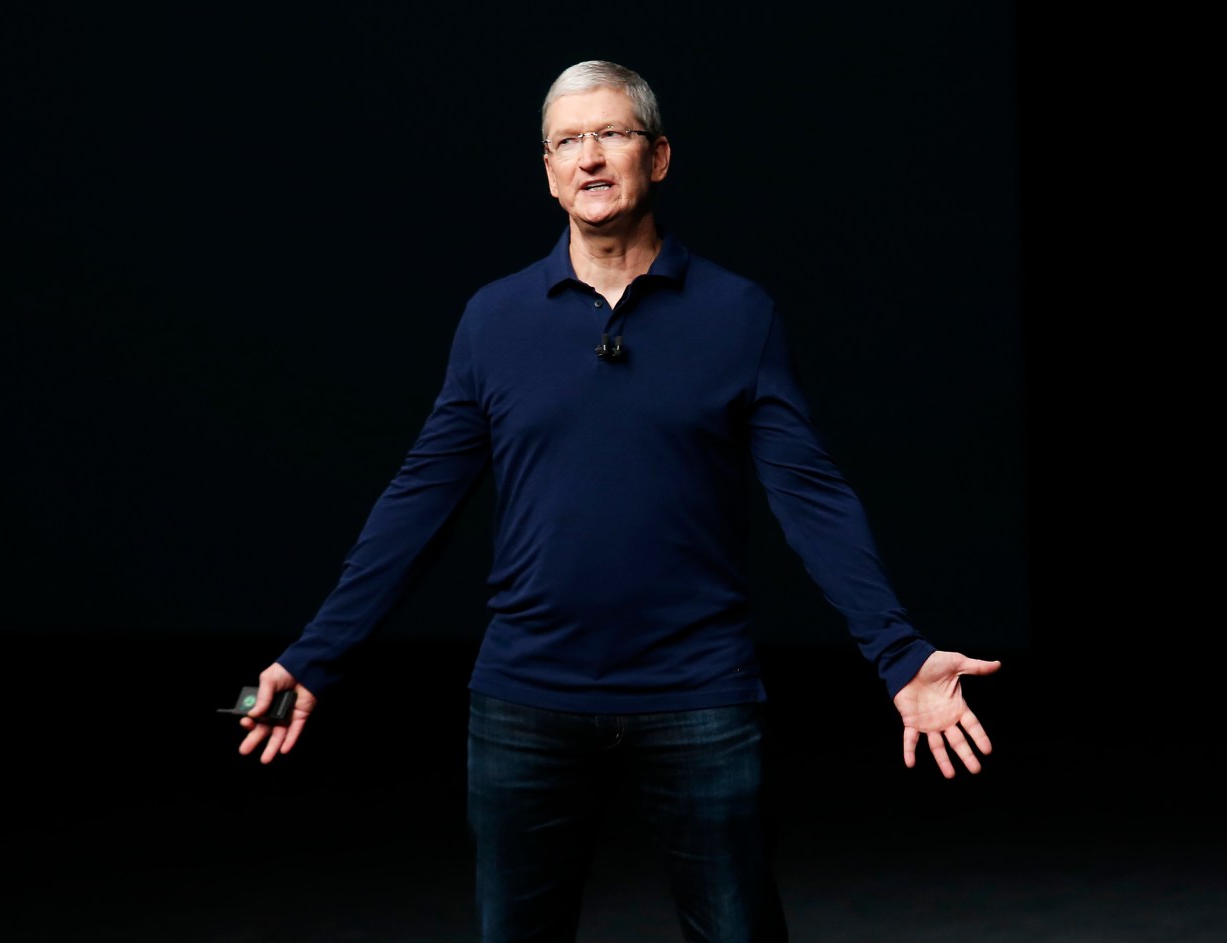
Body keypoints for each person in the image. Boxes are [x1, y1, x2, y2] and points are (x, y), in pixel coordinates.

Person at [235, 59, 1002, 943]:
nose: (590, 158)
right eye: (568, 141)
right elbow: (418, 501)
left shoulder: (738, 314)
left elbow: (812, 497)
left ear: (660, 157)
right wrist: (317, 654)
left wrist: (898, 653)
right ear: (550, 171)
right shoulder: (494, 320)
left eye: (612, 134)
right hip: (527, 700)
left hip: (699, 696)